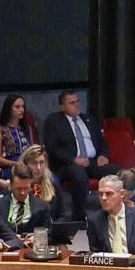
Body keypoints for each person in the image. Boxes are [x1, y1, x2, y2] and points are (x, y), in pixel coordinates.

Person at [44, 90, 105, 223]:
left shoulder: (88, 119)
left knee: (117, 171)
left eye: (77, 101)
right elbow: (52, 148)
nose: (77, 105)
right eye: (72, 103)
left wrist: (103, 155)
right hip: (67, 164)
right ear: (62, 107)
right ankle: (79, 218)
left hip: (92, 161)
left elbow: (101, 142)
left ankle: (119, 211)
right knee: (79, 176)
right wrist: (73, 159)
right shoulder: (54, 121)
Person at [83, 174, 135, 257]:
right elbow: (95, 254)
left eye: (109, 193)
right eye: (101, 194)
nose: (103, 198)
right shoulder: (94, 220)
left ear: (121, 194)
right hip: (110, 264)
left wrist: (131, 261)